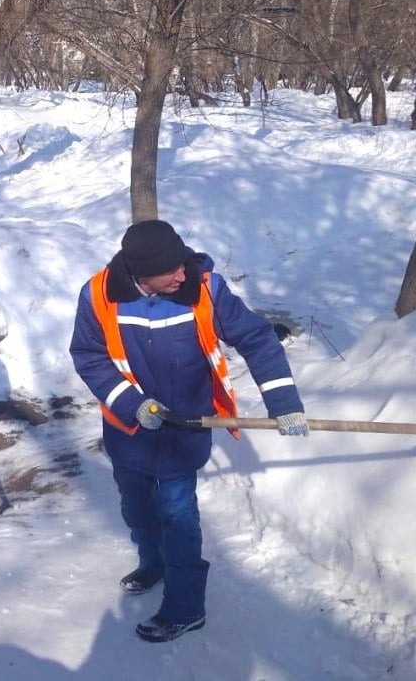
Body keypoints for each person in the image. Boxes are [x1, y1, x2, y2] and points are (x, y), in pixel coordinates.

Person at [69, 220, 308, 643]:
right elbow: (89, 357)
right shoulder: (98, 296)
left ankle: (185, 608)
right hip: (128, 430)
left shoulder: (205, 289)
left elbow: (257, 339)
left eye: (182, 263)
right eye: (171, 271)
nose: (183, 274)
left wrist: (284, 402)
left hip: (186, 431)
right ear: (141, 275)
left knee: (178, 518)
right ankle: (152, 563)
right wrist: (131, 404)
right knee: (137, 509)